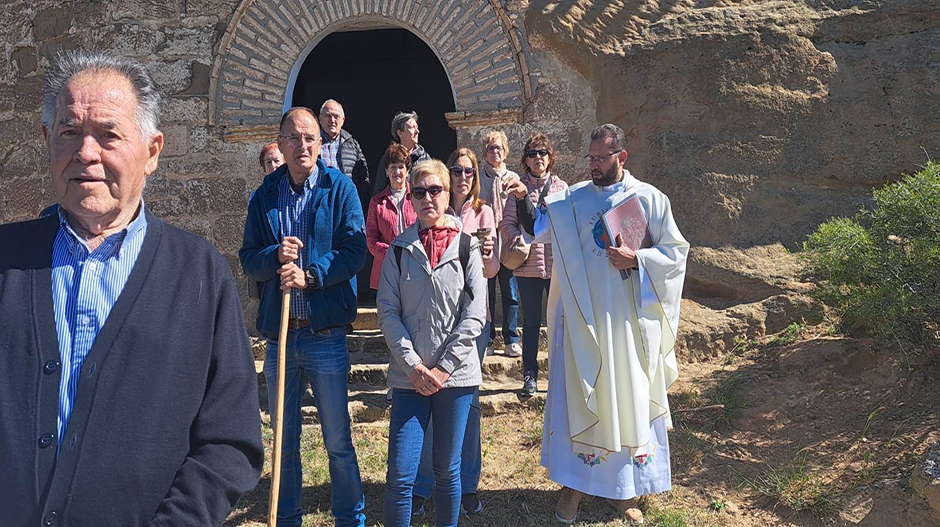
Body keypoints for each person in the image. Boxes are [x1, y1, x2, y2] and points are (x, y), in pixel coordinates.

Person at [0, 50, 263, 525]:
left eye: (108, 135)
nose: (85, 153)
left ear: (153, 152)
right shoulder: (6, 262)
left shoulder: (199, 275)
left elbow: (230, 440)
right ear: (46, 142)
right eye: (68, 132)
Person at [508, 123, 689, 525]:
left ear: (621, 157)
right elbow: (538, 228)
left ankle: (624, 492)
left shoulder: (649, 199)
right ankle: (573, 486)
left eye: (600, 159)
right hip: (584, 323)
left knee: (625, 400)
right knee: (583, 398)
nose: (592, 166)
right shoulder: (573, 198)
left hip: (628, 325)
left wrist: (638, 260)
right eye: (589, 158)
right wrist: (524, 197)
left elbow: (676, 253)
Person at [240, 106, 367, 527]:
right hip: (281, 338)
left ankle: (350, 518)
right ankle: (288, 516)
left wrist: (311, 275)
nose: (303, 146)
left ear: (320, 143)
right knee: (285, 441)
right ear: (281, 143)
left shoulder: (340, 188)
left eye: (310, 137)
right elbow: (247, 258)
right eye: (293, 138)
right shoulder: (266, 195)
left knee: (336, 439)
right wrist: (273, 256)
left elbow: (355, 250)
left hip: (324, 334)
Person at [377, 160, 486, 527]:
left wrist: (442, 368)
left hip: (454, 378)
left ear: (447, 192)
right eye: (419, 192)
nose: (427, 198)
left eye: (434, 190)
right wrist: (414, 365)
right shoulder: (398, 249)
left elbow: (475, 316)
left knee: (447, 469)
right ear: (411, 197)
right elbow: (388, 312)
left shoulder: (468, 248)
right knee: (402, 473)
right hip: (410, 378)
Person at [411, 148, 499, 516]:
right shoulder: (427, 203)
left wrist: (490, 252)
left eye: (469, 170)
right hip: (429, 322)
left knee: (467, 404)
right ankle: (425, 484)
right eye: (457, 169)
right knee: (430, 397)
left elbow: (492, 271)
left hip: (470, 323)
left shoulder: (483, 212)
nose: (463, 175)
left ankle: (465, 483)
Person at [499, 133, 568, 398]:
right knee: (530, 323)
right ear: (525, 160)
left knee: (558, 323)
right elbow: (506, 224)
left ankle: (559, 375)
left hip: (556, 267)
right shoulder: (517, 188)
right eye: (532, 154)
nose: (537, 158)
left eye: (542, 153)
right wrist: (520, 239)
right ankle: (530, 375)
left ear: (550, 157)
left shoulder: (562, 187)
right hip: (528, 265)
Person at [479, 130, 522, 358]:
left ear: (505, 152)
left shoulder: (513, 177)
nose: (495, 152)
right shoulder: (478, 178)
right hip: (486, 239)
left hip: (507, 240)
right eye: (490, 148)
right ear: (485, 153)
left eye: (499, 148)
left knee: (510, 289)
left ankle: (511, 338)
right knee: (486, 292)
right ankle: (487, 338)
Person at [366, 143, 417, 290]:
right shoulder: (376, 202)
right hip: (385, 269)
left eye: (401, 167)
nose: (397, 171)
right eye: (393, 167)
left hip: (414, 267)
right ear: (386, 171)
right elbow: (371, 240)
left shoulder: (418, 196)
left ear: (407, 170)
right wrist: (392, 254)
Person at [318, 99, 370, 213]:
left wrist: (362, 206)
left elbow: (363, 178)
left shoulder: (352, 144)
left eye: (336, 116)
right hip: (318, 203)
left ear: (342, 120)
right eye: (328, 115)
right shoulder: (312, 143)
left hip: (346, 203)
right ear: (320, 119)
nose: (332, 120)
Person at [372, 111, 430, 195]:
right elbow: (379, 191)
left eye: (417, 127)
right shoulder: (389, 157)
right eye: (412, 127)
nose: (417, 131)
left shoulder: (425, 158)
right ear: (400, 133)